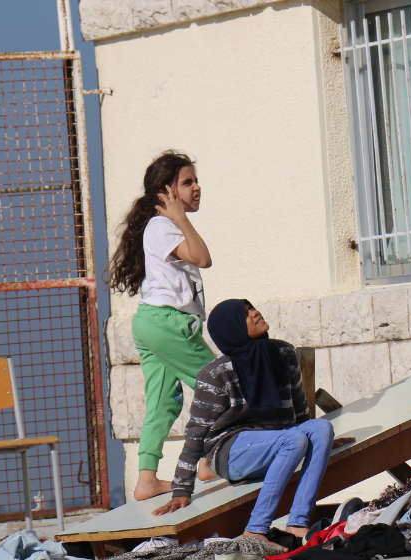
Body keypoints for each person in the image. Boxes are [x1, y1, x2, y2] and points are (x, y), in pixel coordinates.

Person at [153, 299, 336, 544]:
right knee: (293, 439)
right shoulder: (216, 373)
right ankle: (255, 530)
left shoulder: (283, 353)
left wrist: (318, 444)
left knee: (322, 428)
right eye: (246, 313)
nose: (255, 313)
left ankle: (297, 524)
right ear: (233, 328)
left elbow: (300, 409)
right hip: (232, 453)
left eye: (252, 308)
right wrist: (181, 488)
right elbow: (196, 434)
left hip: (279, 444)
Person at [106, 151, 216, 501]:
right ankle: (209, 461)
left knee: (163, 403)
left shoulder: (158, 228)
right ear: (166, 192)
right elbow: (203, 258)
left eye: (196, 180)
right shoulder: (163, 226)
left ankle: (147, 480)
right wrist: (181, 218)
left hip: (151, 322)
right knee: (220, 386)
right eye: (187, 183)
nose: (197, 188)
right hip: (168, 324)